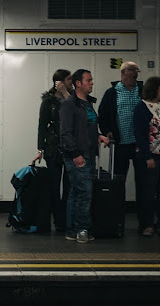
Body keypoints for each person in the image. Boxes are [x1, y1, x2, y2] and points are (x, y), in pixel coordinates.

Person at [60, 69, 109, 243]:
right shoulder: (69, 104)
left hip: (87, 153)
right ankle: (82, 229)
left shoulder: (87, 103)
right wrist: (75, 154)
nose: (92, 83)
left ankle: (72, 229)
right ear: (78, 83)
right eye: (88, 80)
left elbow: (86, 129)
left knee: (76, 192)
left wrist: (98, 136)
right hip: (78, 155)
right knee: (84, 193)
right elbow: (66, 133)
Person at [97, 61, 144, 226]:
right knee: (118, 180)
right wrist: (107, 131)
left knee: (143, 182)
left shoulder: (142, 91)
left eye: (136, 74)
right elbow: (102, 115)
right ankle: (117, 217)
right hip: (120, 144)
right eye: (131, 74)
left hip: (140, 144)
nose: (134, 77)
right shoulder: (112, 93)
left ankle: (144, 220)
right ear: (123, 74)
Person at [133, 76, 160, 238]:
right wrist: (147, 156)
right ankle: (147, 224)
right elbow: (139, 134)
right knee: (149, 190)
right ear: (154, 89)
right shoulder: (141, 107)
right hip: (151, 155)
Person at [31, 69, 72, 232]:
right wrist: (40, 148)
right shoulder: (48, 101)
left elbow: (78, 112)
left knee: (69, 186)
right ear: (59, 82)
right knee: (55, 186)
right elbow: (42, 125)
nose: (71, 82)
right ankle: (58, 220)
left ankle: (68, 218)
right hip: (53, 147)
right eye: (68, 79)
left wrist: (66, 94)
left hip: (70, 148)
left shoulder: (73, 98)